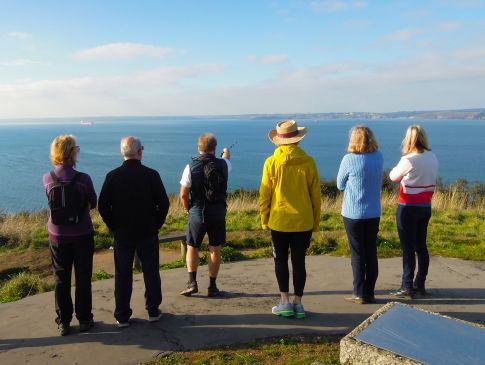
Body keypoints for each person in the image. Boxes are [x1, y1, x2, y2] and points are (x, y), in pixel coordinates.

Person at [98, 136, 170, 327]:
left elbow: (103, 205)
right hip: (147, 231)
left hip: (123, 233)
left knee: (123, 273)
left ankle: (122, 315)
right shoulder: (151, 175)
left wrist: (112, 225)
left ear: (123, 152)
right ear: (140, 152)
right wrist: (157, 224)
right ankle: (153, 310)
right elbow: (164, 203)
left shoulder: (112, 176)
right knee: (151, 271)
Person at [259, 120, 321, 319]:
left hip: (279, 220)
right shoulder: (309, 162)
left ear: (278, 141)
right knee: (299, 262)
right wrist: (316, 222)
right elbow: (316, 196)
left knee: (280, 261)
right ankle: (298, 303)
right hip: (303, 221)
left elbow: (264, 195)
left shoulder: (271, 162)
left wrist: (264, 219)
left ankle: (284, 301)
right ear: (298, 140)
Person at [43, 135, 97, 336]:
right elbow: (93, 202)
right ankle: (84, 319)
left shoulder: (47, 178)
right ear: (72, 152)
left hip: (57, 235)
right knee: (83, 277)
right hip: (82, 233)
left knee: (61, 278)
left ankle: (63, 321)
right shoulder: (84, 179)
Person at [179, 133, 231, 297]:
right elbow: (227, 161)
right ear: (214, 149)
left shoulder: (191, 166)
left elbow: (183, 194)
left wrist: (188, 209)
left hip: (197, 212)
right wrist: (226, 154)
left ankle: (192, 282)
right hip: (218, 212)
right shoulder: (223, 164)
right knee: (215, 249)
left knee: (192, 246)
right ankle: (212, 286)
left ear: (199, 148)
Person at [389, 125, 438, 299]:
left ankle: (406, 286)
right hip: (425, 207)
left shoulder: (408, 159)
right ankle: (420, 284)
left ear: (408, 140)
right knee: (421, 246)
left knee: (408, 248)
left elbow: (393, 176)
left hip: (408, 207)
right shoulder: (432, 156)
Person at [337, 125, 383, 304]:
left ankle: (358, 293)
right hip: (373, 212)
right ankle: (369, 291)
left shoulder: (349, 159)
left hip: (353, 213)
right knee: (371, 251)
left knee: (357, 254)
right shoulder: (379, 157)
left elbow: (340, 184)